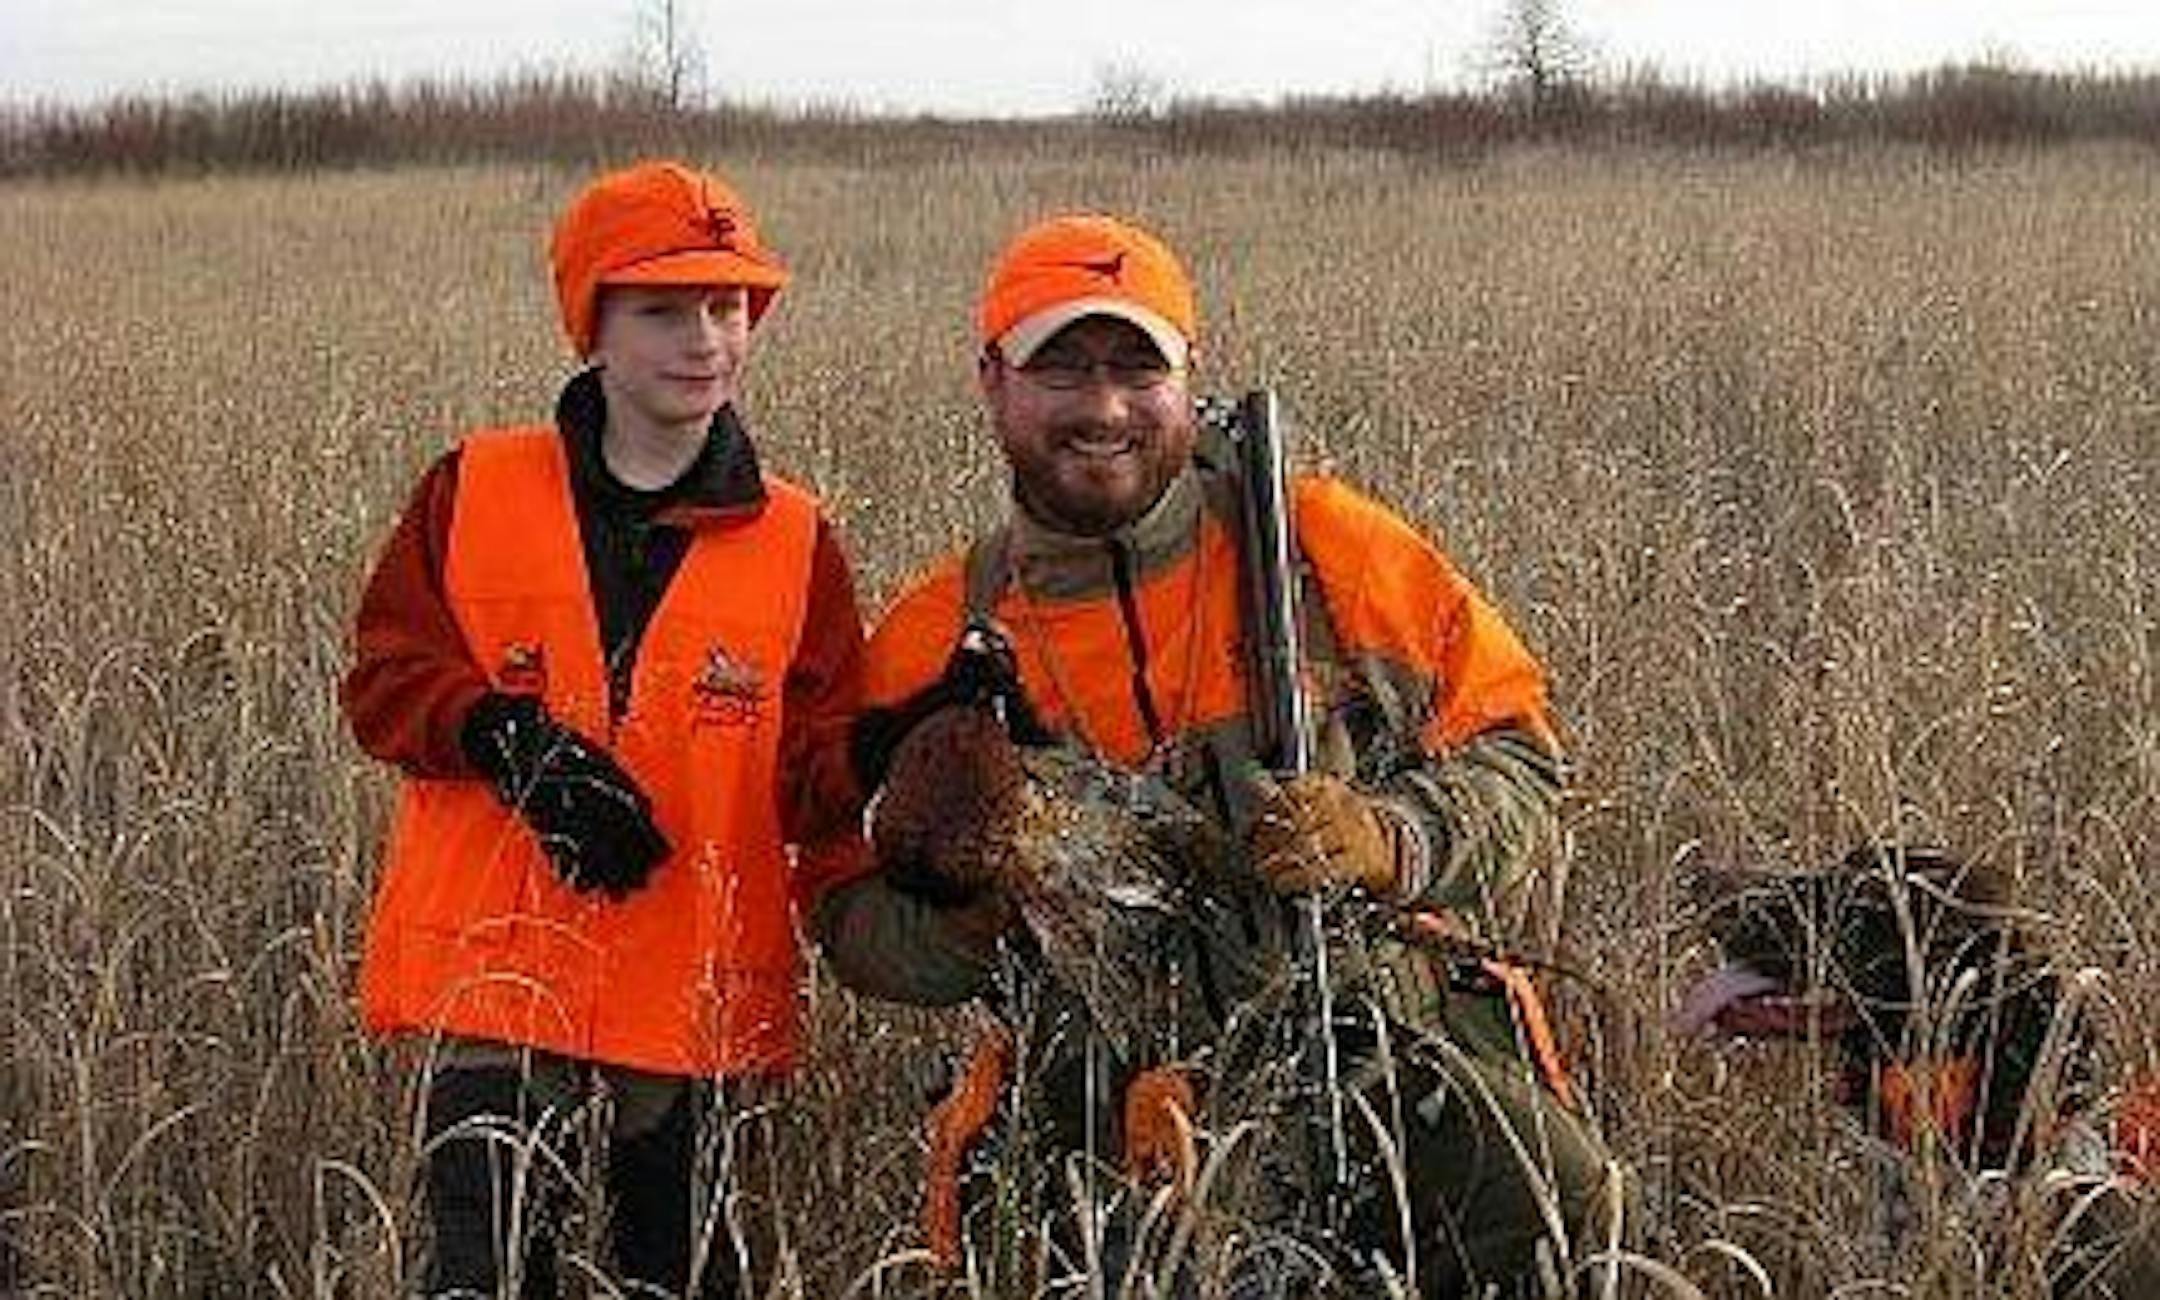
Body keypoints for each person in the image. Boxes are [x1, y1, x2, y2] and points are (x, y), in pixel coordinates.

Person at [818, 213, 1628, 1295]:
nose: (1102, 406)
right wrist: (971, 906)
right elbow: (849, 922)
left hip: (1361, 1022)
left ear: (1189, 376)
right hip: (1097, 1075)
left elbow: (1522, 758)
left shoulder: (1325, 548)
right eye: (1060, 367)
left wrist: (1393, 835)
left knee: (1563, 1207)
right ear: (993, 382)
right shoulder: (933, 639)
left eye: (1134, 366)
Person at [343, 160, 867, 1298]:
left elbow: (818, 773)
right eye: (663, 309)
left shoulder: (797, 540)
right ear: (593, 325)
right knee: (486, 1276)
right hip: (493, 993)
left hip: (690, 1002)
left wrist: (903, 749)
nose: (706, 340)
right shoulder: (471, 488)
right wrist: (503, 739)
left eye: (729, 306)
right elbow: (384, 681)